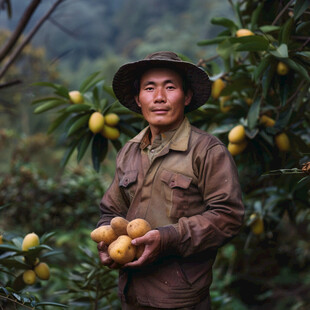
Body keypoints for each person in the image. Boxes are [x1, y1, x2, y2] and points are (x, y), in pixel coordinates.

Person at [97, 51, 244, 310]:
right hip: (130, 296)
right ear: (137, 99)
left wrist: (169, 238)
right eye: (149, 88)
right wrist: (107, 241)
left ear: (186, 97)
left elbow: (228, 216)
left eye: (170, 87)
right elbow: (111, 211)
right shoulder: (129, 152)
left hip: (182, 301)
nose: (159, 97)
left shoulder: (207, 151)